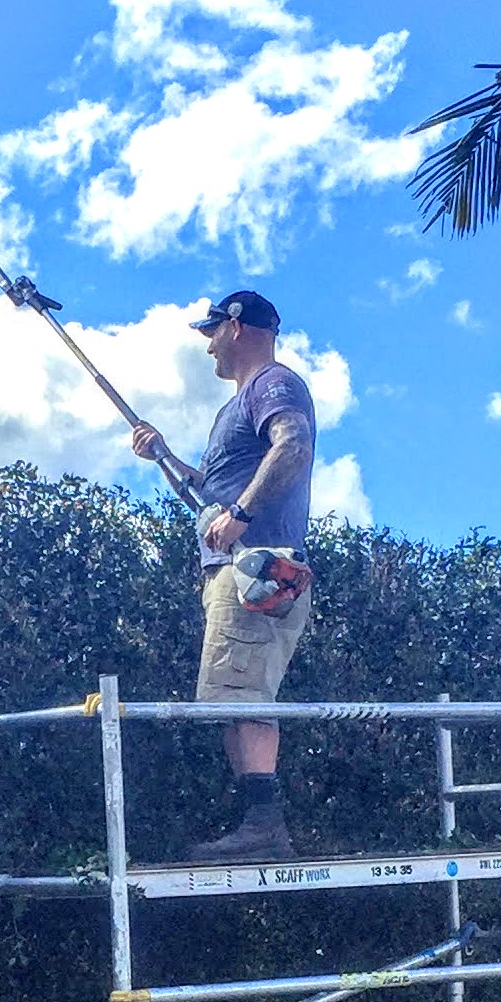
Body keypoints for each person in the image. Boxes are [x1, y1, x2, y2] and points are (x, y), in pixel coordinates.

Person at [128, 288, 316, 863]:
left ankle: (263, 829)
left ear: (236, 327)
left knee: (243, 694)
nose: (207, 345)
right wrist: (162, 456)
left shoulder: (271, 384)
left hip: (256, 567)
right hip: (243, 567)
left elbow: (294, 443)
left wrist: (241, 515)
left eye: (211, 332)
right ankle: (256, 824)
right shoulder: (232, 408)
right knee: (232, 696)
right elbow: (204, 497)